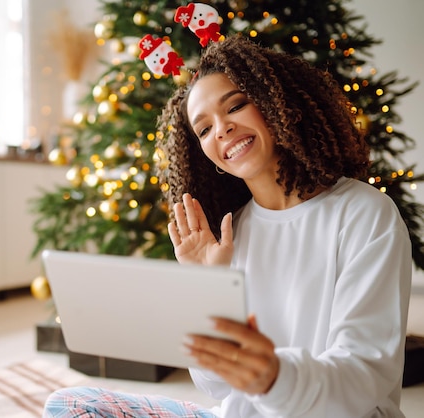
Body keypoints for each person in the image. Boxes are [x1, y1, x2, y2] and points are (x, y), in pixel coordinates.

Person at [43, 35, 412, 417]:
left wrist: (274, 377)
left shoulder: (364, 213)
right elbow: (215, 386)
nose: (221, 129)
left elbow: (365, 376)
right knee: (71, 404)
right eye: (203, 129)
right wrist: (207, 284)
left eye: (235, 105)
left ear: (275, 105)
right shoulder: (228, 234)